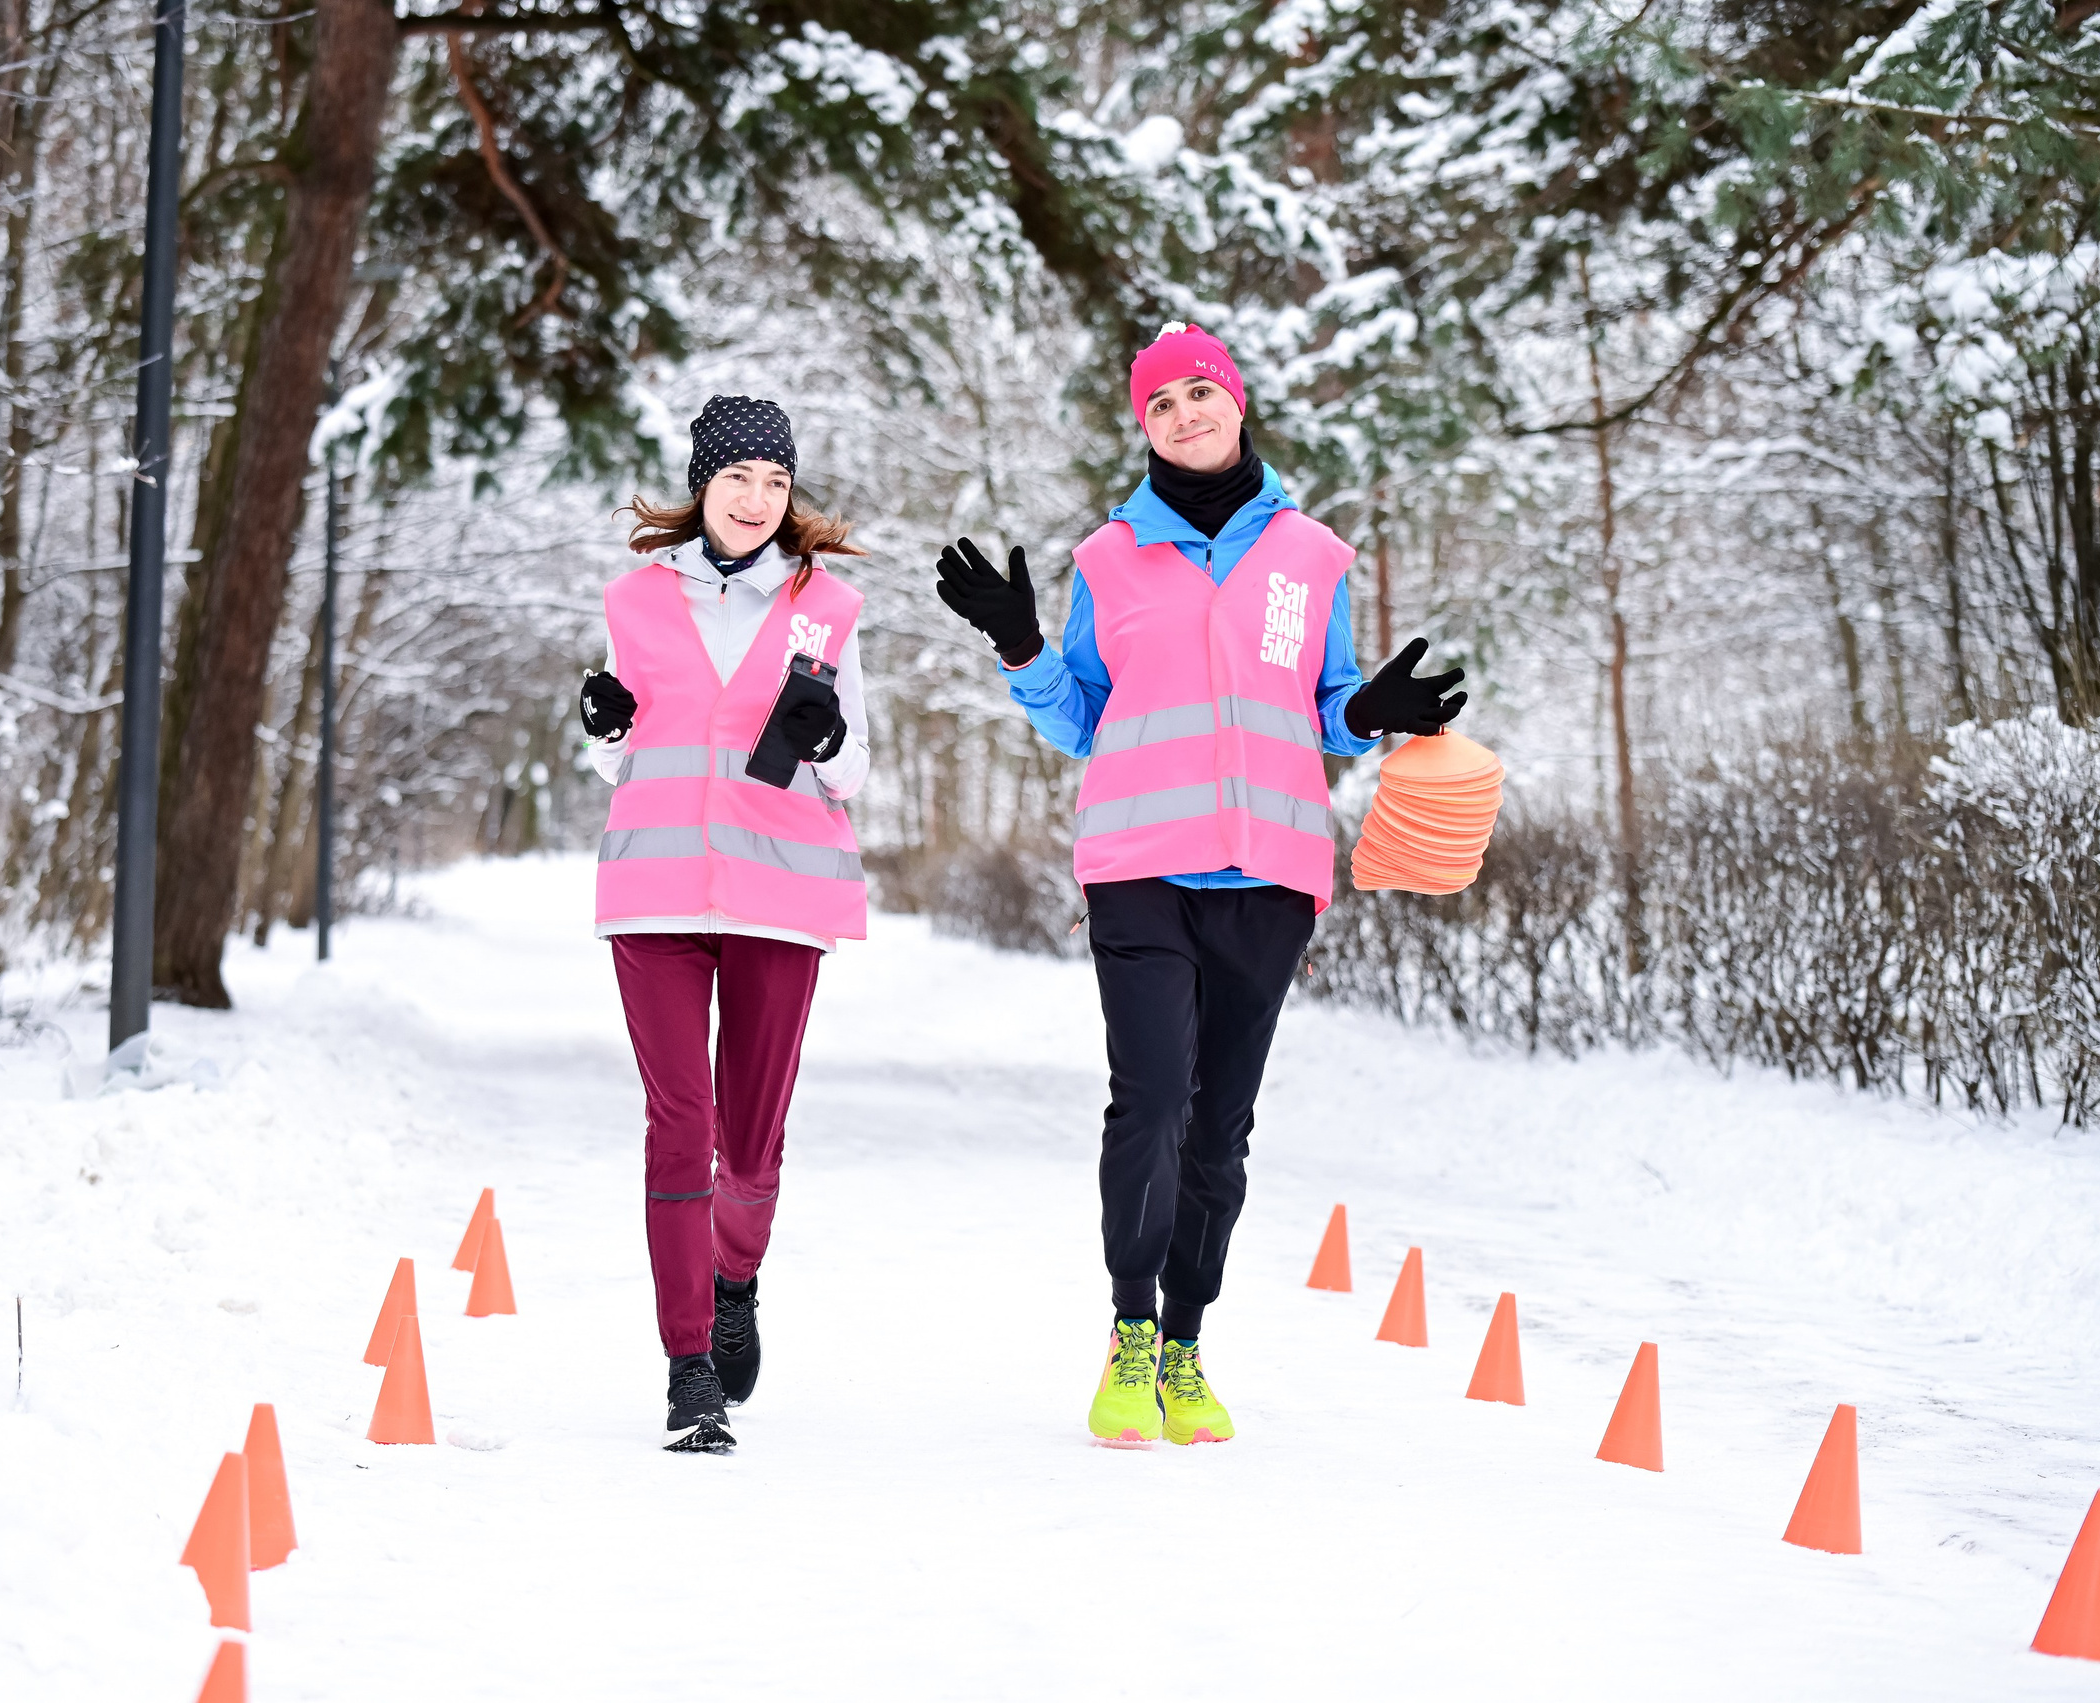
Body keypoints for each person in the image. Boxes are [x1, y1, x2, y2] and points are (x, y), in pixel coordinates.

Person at [932, 323, 1467, 1447]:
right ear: (1144, 425)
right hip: (1136, 865)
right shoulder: (1109, 556)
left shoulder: (1312, 556)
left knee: (1219, 1125)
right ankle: (1128, 1331)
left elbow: (1324, 705)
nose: (1182, 414)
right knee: (1153, 1098)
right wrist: (1022, 642)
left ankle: (1186, 1342)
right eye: (1159, 402)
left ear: (1235, 401)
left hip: (1270, 870)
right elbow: (1080, 717)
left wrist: (1370, 713)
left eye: (1198, 393)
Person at [581, 395, 873, 1453]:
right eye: (738, 478)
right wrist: (602, 730)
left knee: (748, 1143)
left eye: (776, 482)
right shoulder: (634, 599)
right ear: (703, 484)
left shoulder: (827, 607)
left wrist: (829, 732)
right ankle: (687, 1365)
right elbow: (620, 750)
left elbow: (855, 768)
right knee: (680, 1123)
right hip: (655, 890)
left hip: (779, 896)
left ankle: (734, 1276)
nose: (755, 500)